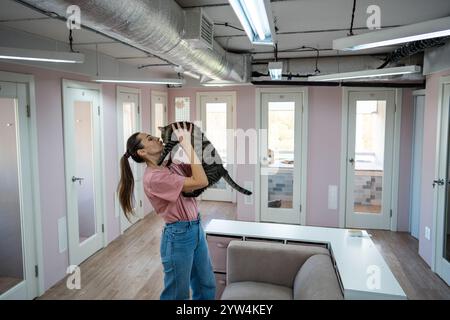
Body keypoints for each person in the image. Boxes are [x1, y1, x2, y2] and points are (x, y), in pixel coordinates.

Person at [117, 122, 216, 300]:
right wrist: (186, 145)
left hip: (196, 229)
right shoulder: (154, 178)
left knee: (206, 283)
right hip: (179, 237)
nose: (156, 138)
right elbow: (201, 181)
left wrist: (194, 142)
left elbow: (203, 171)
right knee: (177, 294)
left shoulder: (170, 166)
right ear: (142, 152)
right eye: (149, 139)